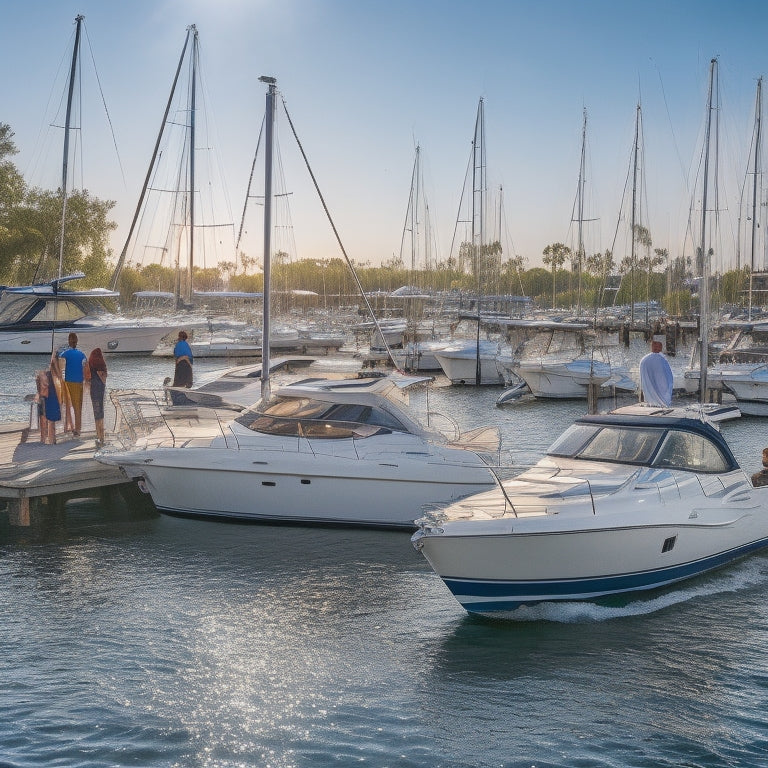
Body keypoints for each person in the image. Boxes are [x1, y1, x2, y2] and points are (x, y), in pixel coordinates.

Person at [57, 332, 89, 437]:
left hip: (69, 382)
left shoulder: (66, 353)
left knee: (68, 405)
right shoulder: (82, 354)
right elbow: (86, 367)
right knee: (77, 406)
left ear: (69, 341)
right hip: (80, 382)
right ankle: (77, 428)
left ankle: (73, 427)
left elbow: (59, 363)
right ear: (77, 341)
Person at [639, 339, 674, 407]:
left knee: (657, 387)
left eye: (658, 346)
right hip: (659, 385)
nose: (656, 348)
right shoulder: (660, 358)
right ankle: (659, 402)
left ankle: (655, 402)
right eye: (655, 346)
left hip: (655, 385)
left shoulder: (646, 359)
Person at [88, 347, 108, 448]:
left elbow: (87, 378)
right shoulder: (100, 363)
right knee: (101, 413)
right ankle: (102, 437)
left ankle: (98, 436)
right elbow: (103, 377)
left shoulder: (91, 362)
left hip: (93, 389)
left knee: (96, 414)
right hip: (100, 389)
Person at [171, 330, 193, 405]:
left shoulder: (178, 345)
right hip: (187, 364)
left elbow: (176, 355)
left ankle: (176, 398)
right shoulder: (186, 345)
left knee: (178, 382)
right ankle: (185, 396)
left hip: (180, 364)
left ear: (179, 337)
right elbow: (189, 356)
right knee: (187, 381)